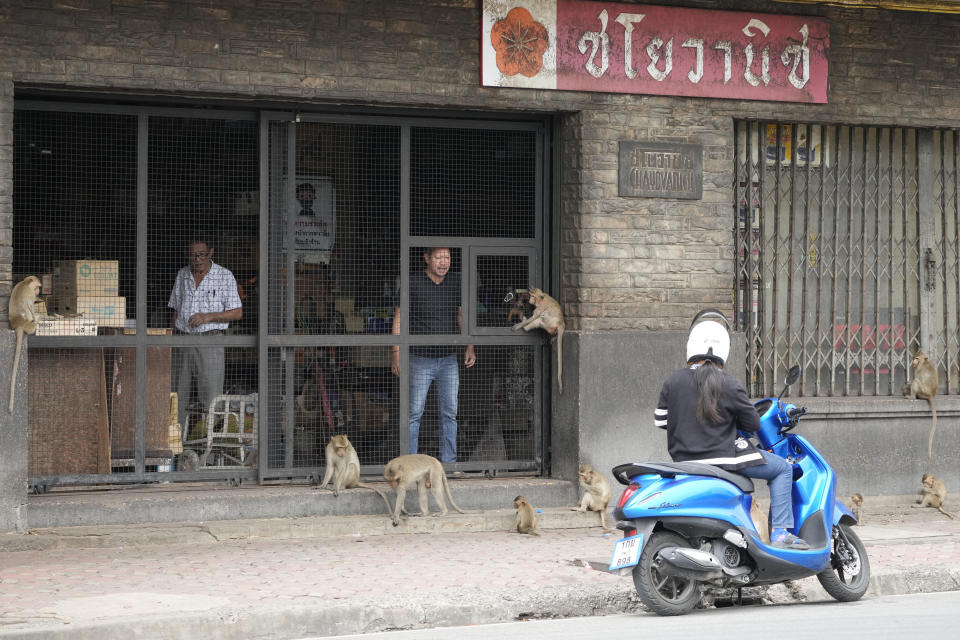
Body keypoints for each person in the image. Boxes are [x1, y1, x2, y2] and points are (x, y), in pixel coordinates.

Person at [654, 309, 810, 550]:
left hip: (684, 459)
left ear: (691, 346)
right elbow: (753, 425)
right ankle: (780, 533)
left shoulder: (672, 382)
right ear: (723, 351)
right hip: (725, 459)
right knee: (782, 469)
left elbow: (662, 422)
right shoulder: (729, 383)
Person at [392, 247, 476, 463]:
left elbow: (461, 314)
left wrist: (469, 345)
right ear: (427, 258)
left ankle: (449, 463)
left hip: (448, 359)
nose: (443, 262)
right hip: (420, 358)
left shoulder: (456, 281)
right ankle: (409, 463)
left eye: (447, 257)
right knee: (414, 414)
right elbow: (399, 317)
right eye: (438, 257)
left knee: (450, 413)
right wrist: (396, 352)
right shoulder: (412, 281)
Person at [169, 238, 243, 429]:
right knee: (177, 396)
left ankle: (210, 451)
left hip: (210, 340)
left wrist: (208, 317)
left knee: (211, 396)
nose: (197, 259)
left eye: (201, 254)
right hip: (183, 341)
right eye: (193, 255)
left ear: (211, 253)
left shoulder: (224, 276)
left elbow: (237, 312)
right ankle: (176, 450)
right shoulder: (183, 275)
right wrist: (171, 337)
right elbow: (176, 309)